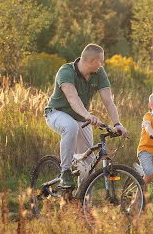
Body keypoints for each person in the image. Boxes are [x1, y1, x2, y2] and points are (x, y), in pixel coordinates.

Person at [44, 44, 127, 189]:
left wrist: (117, 124)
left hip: (81, 119)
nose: (102, 64)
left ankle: (83, 204)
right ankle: (65, 171)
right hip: (56, 113)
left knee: (88, 164)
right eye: (101, 61)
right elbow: (72, 97)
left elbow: (108, 101)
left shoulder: (99, 73)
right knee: (70, 126)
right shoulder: (66, 71)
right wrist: (87, 115)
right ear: (91, 61)